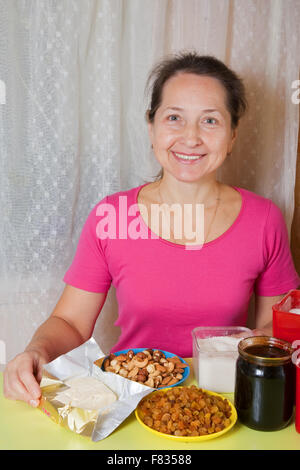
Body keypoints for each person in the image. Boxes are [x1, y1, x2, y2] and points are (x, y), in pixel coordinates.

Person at [3, 52, 300, 408]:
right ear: (152, 127)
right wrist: (36, 351)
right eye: (174, 117)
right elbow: (70, 322)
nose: (190, 138)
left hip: (223, 401)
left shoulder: (264, 219)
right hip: (127, 400)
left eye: (210, 120)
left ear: (233, 134)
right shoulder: (111, 217)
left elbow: (274, 325)